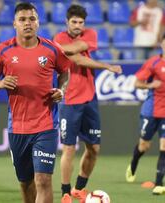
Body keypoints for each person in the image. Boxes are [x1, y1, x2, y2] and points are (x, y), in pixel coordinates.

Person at [0, 3, 121, 203]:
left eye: (32, 19)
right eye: (22, 20)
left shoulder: (51, 49)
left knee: (44, 180)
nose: (27, 23)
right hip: (18, 127)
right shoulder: (2, 51)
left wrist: (61, 90)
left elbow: (65, 71)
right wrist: (0, 83)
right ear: (14, 23)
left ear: (38, 22)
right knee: (26, 182)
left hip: (46, 126)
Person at [53, 5, 122, 203]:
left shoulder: (91, 33)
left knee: (94, 149)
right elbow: (78, 59)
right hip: (70, 99)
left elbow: (77, 52)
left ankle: (79, 188)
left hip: (89, 98)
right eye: (73, 22)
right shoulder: (59, 38)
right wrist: (106, 66)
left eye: (80, 22)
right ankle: (66, 192)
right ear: (67, 22)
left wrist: (63, 50)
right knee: (68, 148)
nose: (77, 26)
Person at [125, 34, 165, 195]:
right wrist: (150, 84)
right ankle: (133, 163)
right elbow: (137, 83)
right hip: (151, 111)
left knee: (164, 146)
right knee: (144, 146)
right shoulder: (153, 62)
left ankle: (159, 183)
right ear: (161, 44)